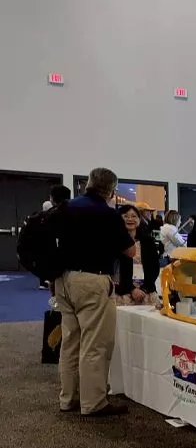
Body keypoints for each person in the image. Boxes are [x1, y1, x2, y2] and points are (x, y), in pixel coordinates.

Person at [54, 167, 136, 417]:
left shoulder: (66, 207)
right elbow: (130, 251)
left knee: (70, 341)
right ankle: (93, 402)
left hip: (64, 278)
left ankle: (67, 398)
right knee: (95, 344)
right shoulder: (107, 214)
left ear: (87, 184)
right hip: (92, 280)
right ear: (111, 190)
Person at [115, 204, 160, 306]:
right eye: (126, 216)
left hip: (146, 293)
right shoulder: (115, 243)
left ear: (139, 219)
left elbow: (154, 268)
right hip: (123, 294)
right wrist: (132, 289)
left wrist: (144, 289)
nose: (130, 219)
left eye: (134, 216)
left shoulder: (148, 241)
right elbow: (116, 271)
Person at [30, 185, 71, 289]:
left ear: (52, 199)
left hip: (50, 250)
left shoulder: (42, 218)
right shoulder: (68, 214)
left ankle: (46, 282)